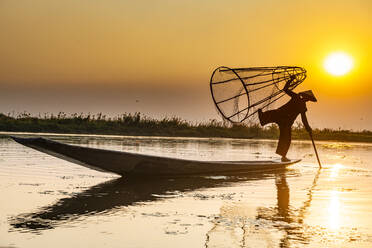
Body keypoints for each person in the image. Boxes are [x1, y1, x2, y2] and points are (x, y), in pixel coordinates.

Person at [258, 75, 317, 162]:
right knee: (286, 139)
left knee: (284, 136)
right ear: (305, 97)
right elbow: (304, 119)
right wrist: (308, 128)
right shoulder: (300, 102)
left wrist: (290, 80)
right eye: (308, 99)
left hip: (281, 117)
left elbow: (285, 89)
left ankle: (263, 116)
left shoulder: (297, 98)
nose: (308, 100)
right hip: (285, 120)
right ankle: (283, 157)